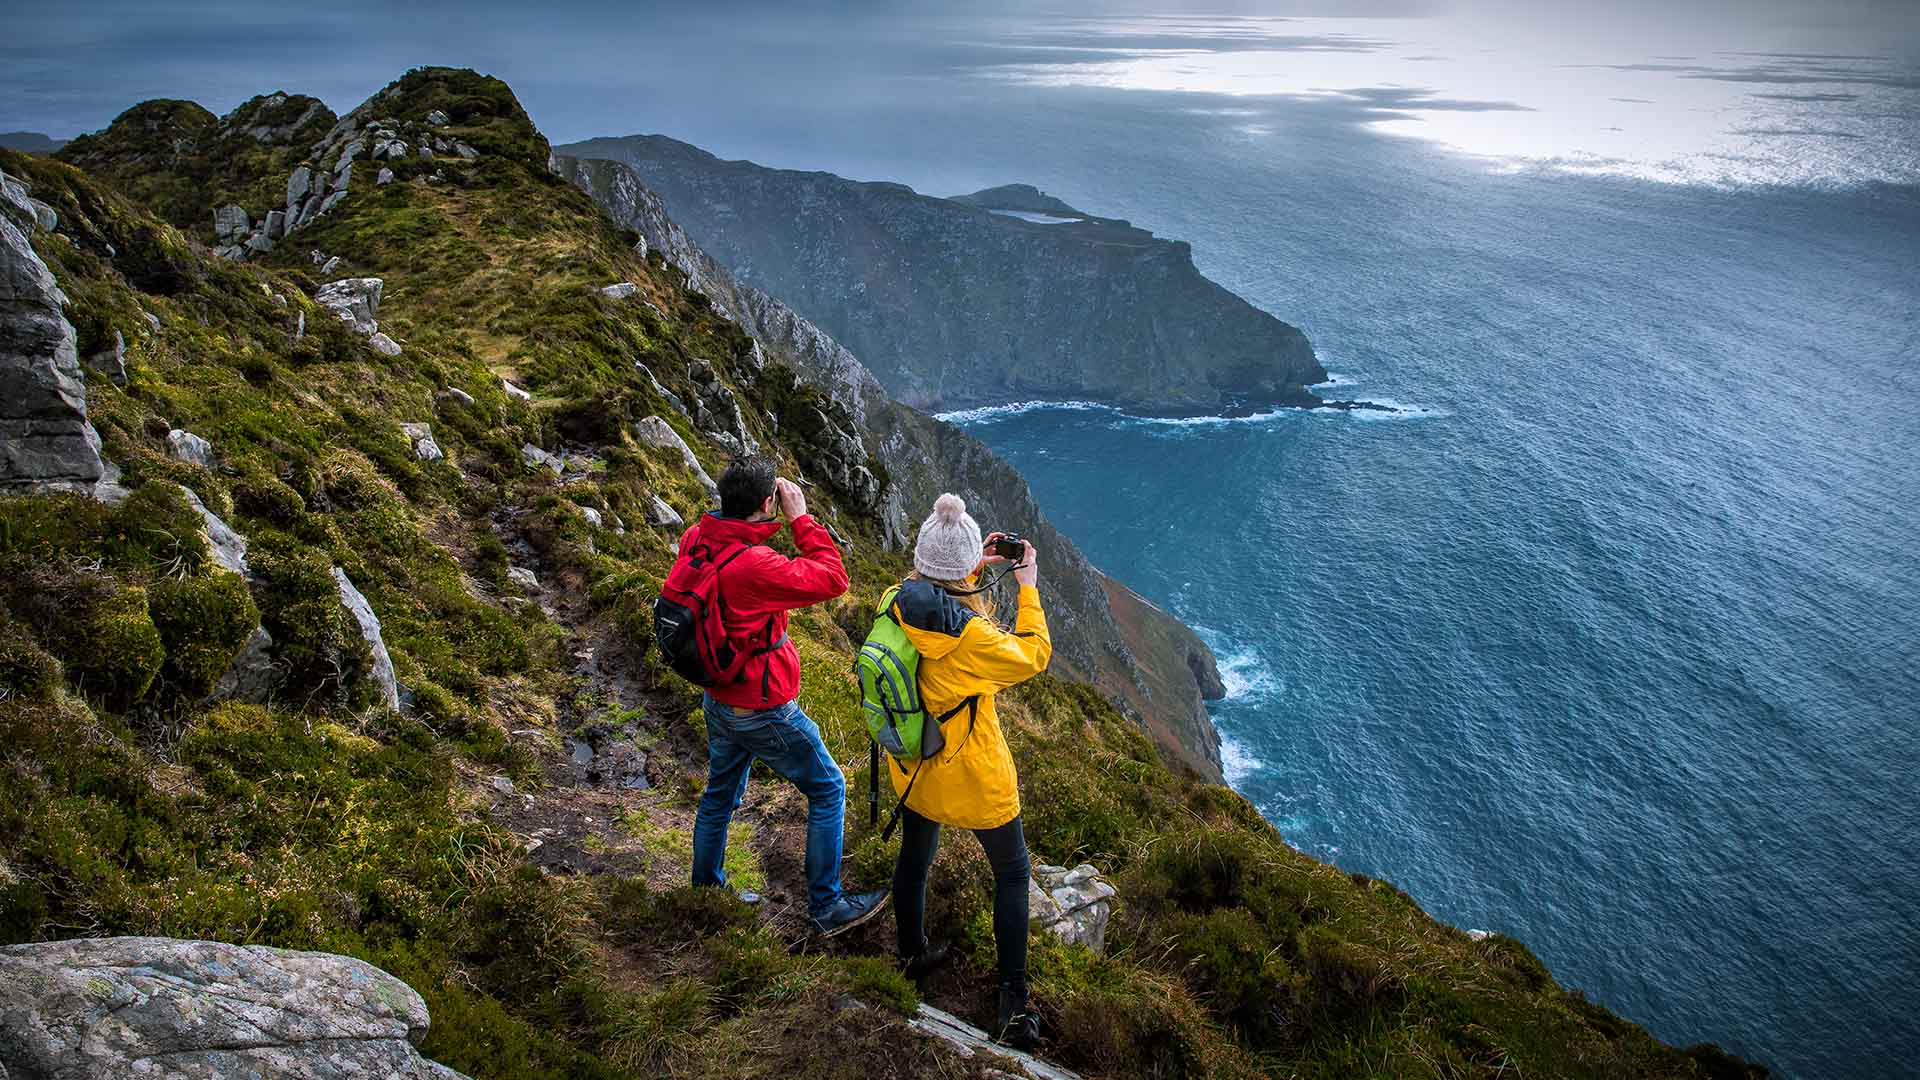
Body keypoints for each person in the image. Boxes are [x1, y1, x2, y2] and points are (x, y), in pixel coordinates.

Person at [681, 456, 887, 938]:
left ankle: (707, 894)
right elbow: (834, 579)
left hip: (718, 695)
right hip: (761, 705)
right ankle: (827, 905)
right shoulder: (754, 566)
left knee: (719, 796)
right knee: (828, 787)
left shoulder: (699, 538)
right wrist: (800, 519)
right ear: (765, 503)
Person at [886, 493, 1052, 1048]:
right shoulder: (973, 637)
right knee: (1011, 874)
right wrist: (1026, 587)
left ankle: (911, 954)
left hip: (914, 764)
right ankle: (1012, 1002)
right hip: (974, 775)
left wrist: (968, 564)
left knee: (915, 859)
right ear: (962, 572)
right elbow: (1033, 655)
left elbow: (933, 586)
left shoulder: (895, 601)